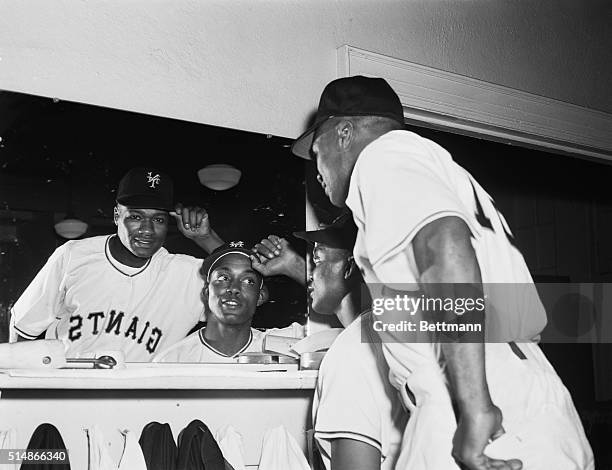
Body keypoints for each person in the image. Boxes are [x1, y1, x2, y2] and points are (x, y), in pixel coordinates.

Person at [291, 76, 593, 469]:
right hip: (516, 393)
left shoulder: (383, 157)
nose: (316, 167)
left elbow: (444, 247)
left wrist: (476, 408)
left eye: (316, 150)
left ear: (344, 133)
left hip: (478, 400)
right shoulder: (444, 171)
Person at [9, 167, 224, 361]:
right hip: (71, 390)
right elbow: (24, 329)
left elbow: (247, 284)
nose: (147, 230)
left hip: (140, 398)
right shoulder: (73, 255)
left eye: (158, 219)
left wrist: (206, 238)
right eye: (136, 217)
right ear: (116, 216)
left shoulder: (186, 273)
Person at [253, 213, 407, 470]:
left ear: (350, 266)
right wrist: (296, 265)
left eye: (317, 259)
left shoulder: (349, 355)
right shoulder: (404, 329)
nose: (310, 274)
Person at [153, 242, 272, 362]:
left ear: (260, 296)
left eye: (248, 281)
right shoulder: (172, 361)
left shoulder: (280, 348)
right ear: (206, 292)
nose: (234, 288)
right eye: (223, 278)